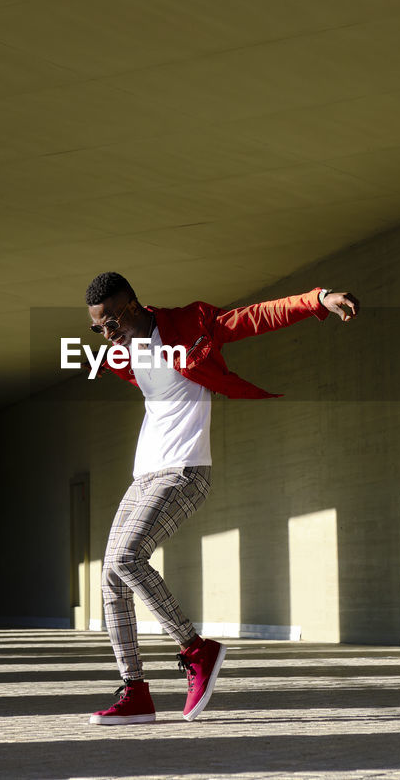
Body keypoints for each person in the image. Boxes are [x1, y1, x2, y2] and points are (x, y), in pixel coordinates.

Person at [83, 272, 360, 725]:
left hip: (185, 471)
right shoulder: (120, 355)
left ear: (132, 305)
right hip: (144, 473)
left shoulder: (189, 324)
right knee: (111, 573)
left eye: (110, 322)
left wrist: (317, 299)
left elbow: (252, 318)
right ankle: (135, 691)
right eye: (98, 329)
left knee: (129, 557)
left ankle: (196, 650)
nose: (106, 334)